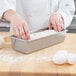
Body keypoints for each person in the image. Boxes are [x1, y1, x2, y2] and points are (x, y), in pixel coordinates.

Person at [0, 0, 75, 40]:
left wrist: (60, 15)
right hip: (22, 37)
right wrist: (13, 16)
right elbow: (3, 3)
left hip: (54, 35)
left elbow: (68, 5)